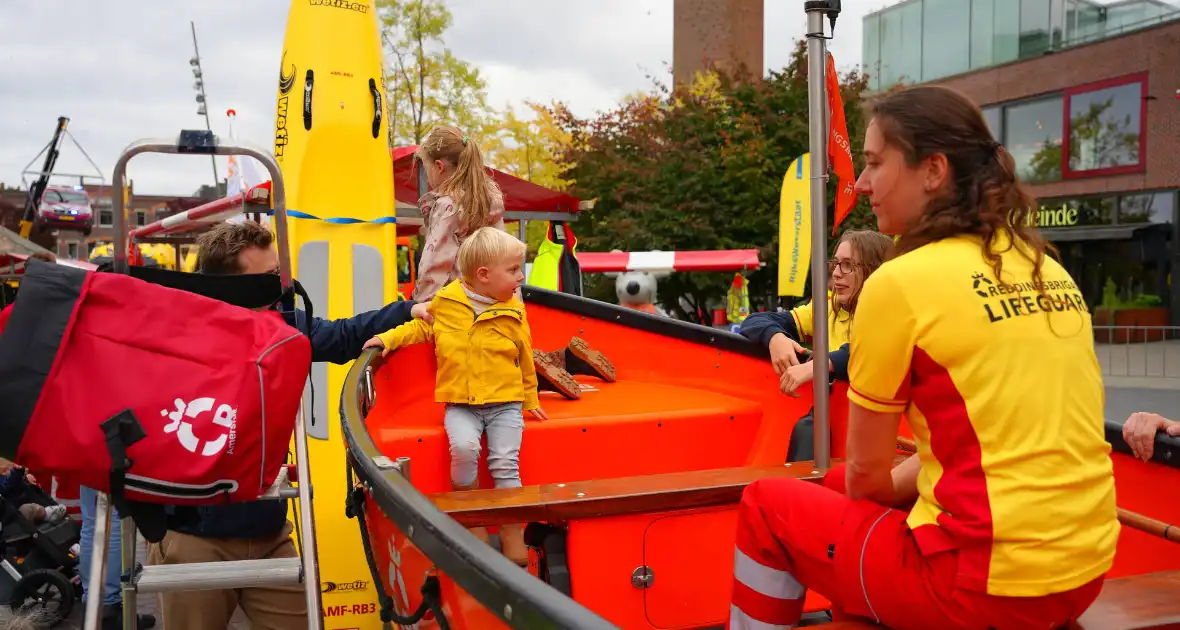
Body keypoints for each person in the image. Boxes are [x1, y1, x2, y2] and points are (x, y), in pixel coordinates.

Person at [727, 85, 1118, 630]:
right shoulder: (1043, 266)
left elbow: (867, 477)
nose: (861, 184)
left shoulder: (899, 283)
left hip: (980, 586)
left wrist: (867, 501)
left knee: (768, 505)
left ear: (932, 171)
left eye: (873, 164)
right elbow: (991, 446)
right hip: (1084, 569)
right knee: (836, 496)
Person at [145, 220, 430, 630]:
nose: (280, 287)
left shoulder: (279, 323)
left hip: (266, 527)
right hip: (196, 535)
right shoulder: (178, 336)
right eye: (265, 279)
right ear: (228, 288)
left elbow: (339, 335)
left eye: (278, 275)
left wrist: (409, 311)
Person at [364, 227, 540, 565]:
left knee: (505, 464)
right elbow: (420, 328)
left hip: (505, 403)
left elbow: (525, 356)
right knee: (463, 449)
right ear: (484, 275)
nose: (521, 276)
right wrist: (386, 339)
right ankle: (471, 519)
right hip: (461, 403)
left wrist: (530, 399)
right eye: (514, 269)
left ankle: (511, 532)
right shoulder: (447, 303)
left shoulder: (514, 311)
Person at [411, 125, 615, 399]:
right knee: (508, 354)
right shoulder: (489, 197)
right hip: (503, 295)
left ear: (438, 167)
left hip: (465, 300)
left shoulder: (448, 205)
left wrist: (422, 300)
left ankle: (543, 372)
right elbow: (504, 249)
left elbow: (436, 260)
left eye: (426, 168)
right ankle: (565, 359)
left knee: (480, 369)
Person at [739, 230, 891, 460]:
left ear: (874, 270)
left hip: (880, 432)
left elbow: (873, 349)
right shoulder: (827, 308)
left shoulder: (893, 311)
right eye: (836, 263)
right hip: (835, 426)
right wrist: (775, 338)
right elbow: (754, 321)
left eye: (848, 265)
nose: (837, 274)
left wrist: (817, 366)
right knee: (808, 430)